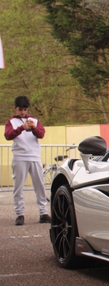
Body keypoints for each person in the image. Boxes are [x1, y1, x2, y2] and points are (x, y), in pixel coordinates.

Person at [4, 96, 51, 225]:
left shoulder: (34, 120)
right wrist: (21, 128)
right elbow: (8, 135)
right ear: (15, 108)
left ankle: (43, 213)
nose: (23, 112)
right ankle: (20, 214)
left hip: (35, 156)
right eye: (20, 110)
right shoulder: (11, 122)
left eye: (25, 109)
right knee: (18, 187)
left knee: (40, 186)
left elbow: (41, 134)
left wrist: (33, 127)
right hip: (19, 157)